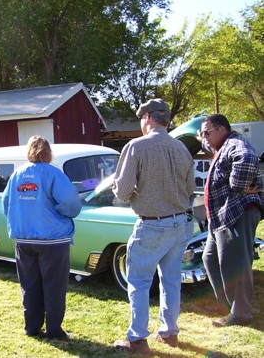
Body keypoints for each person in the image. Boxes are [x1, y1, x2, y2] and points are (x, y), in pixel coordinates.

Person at [112, 98, 195, 354]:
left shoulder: (136, 146)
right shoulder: (182, 148)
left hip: (151, 225)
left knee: (138, 280)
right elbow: (190, 188)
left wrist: (128, 189)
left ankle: (137, 338)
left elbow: (123, 192)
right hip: (180, 223)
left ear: (147, 118)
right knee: (171, 280)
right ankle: (169, 332)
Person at [1, 135, 81, 340]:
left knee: (29, 284)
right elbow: (71, 205)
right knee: (54, 285)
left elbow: (6, 204)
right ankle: (54, 330)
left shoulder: (16, 175)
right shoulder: (54, 173)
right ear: (48, 152)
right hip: (53, 240)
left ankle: (32, 327)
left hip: (24, 240)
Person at [199, 114, 263, 327]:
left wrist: (239, 185)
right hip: (220, 217)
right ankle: (227, 306)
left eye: (207, 132)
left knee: (234, 264)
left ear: (222, 130)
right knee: (210, 259)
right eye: (202, 133)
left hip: (237, 213)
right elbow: (207, 144)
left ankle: (241, 314)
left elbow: (247, 158)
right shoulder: (220, 145)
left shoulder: (235, 144)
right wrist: (196, 135)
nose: (204, 137)